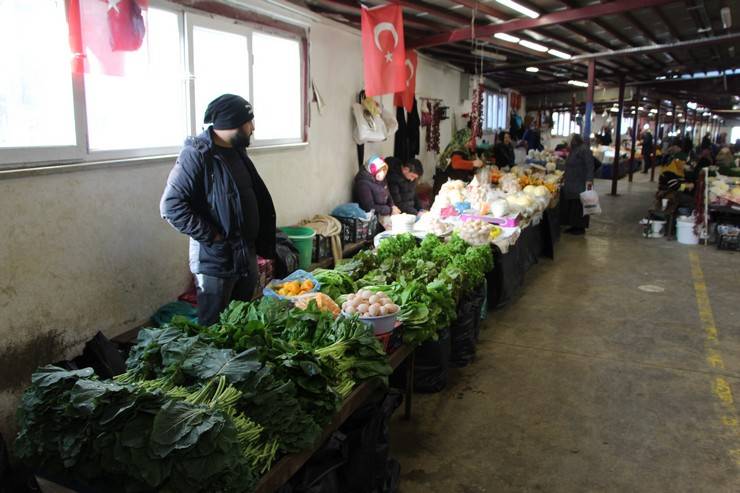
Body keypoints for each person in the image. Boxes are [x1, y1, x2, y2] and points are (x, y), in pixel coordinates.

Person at [160, 94, 276, 326]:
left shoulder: (236, 151)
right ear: (230, 122)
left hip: (244, 255)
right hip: (216, 261)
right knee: (213, 327)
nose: (252, 128)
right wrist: (213, 236)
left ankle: (233, 361)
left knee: (238, 321)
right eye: (248, 121)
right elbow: (171, 206)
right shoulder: (196, 155)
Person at [561, 134, 594, 235]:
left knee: (580, 205)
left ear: (574, 141)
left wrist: (589, 181)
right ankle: (574, 225)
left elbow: (590, 166)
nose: (568, 143)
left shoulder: (584, 149)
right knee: (574, 205)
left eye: (569, 141)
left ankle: (580, 227)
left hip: (580, 181)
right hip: (572, 181)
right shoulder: (574, 149)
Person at [354, 155, 400, 225]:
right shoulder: (363, 184)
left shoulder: (380, 178)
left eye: (385, 171)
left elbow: (388, 194)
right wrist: (390, 210)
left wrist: (392, 206)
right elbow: (369, 207)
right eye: (382, 171)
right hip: (371, 219)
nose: (383, 174)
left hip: (384, 213)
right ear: (373, 169)